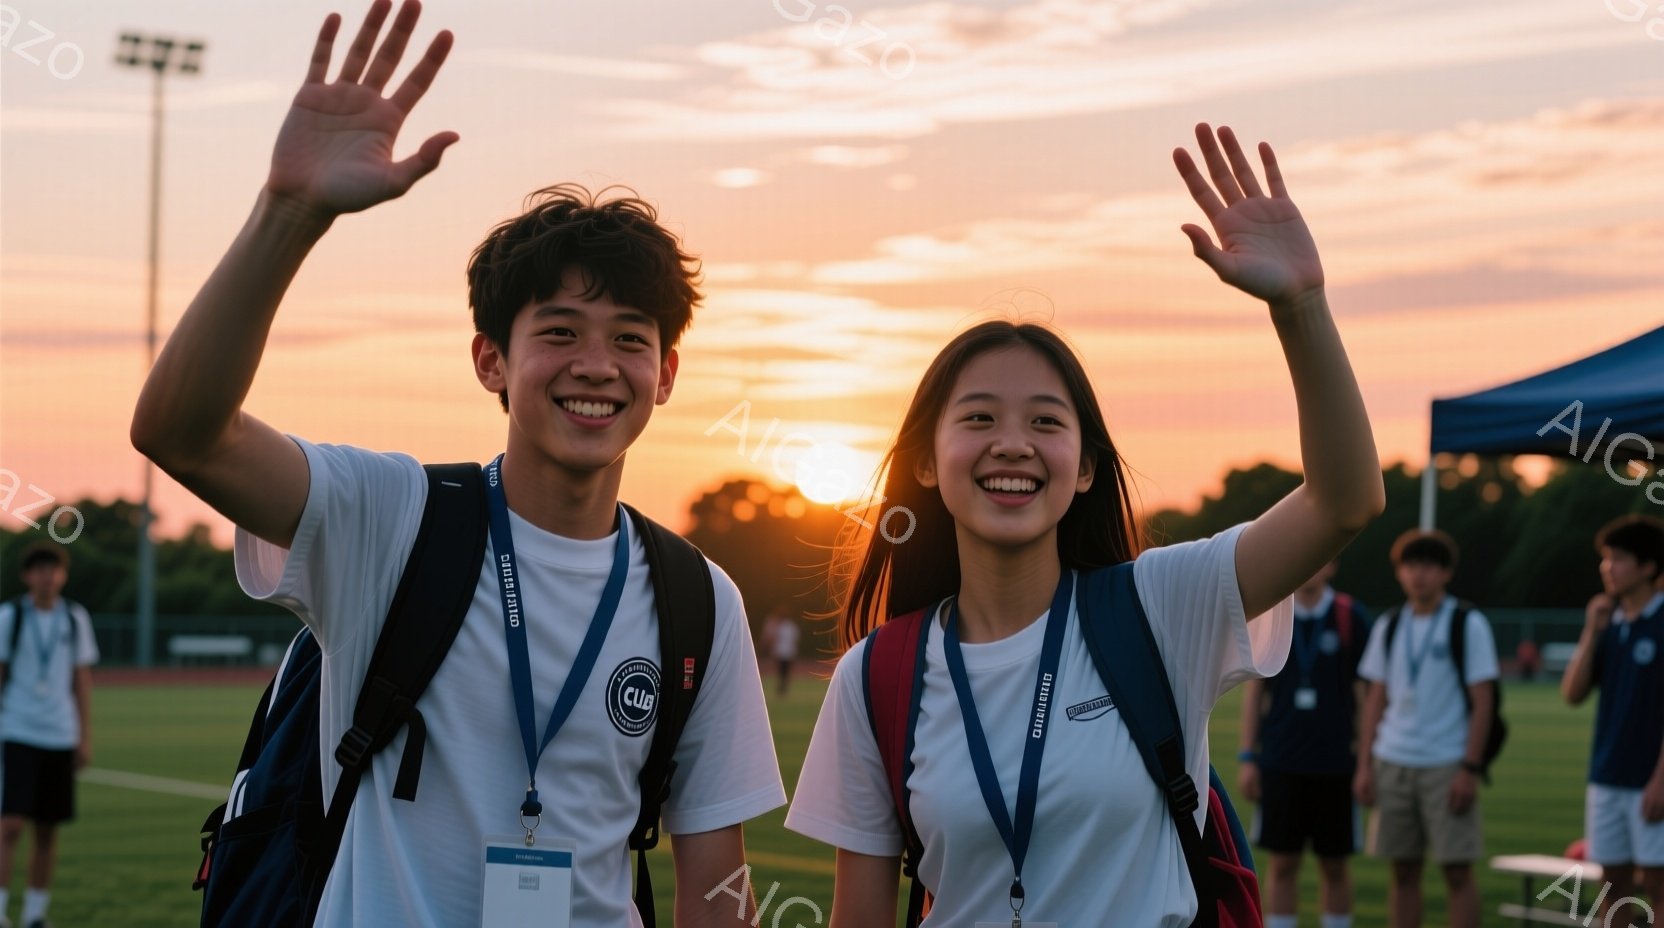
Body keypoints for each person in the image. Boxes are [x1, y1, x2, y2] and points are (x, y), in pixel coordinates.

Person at [128, 3, 785, 925]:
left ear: (666, 373)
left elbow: (717, 879)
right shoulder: (392, 517)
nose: (597, 366)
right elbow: (183, 433)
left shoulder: (695, 595)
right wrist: (289, 213)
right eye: (558, 332)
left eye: (629, 340)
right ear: (491, 363)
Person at [783, 123, 1385, 926]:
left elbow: (1343, 501)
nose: (1012, 446)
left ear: (1087, 466)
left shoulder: (1161, 605)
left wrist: (1301, 307)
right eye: (979, 418)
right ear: (927, 460)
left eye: (1045, 423)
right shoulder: (878, 676)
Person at [1354, 529, 1499, 928]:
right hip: (1393, 760)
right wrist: (1364, 766)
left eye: (1429, 566)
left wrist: (1470, 769)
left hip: (1446, 763)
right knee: (1402, 871)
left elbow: (1484, 699)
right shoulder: (1390, 625)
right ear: (1399, 572)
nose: (1419, 574)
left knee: (1457, 872)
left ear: (1446, 573)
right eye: (1411, 565)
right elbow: (1375, 700)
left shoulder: (1467, 623)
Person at [1238, 560, 1372, 928]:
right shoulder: (1273, 616)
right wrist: (1248, 756)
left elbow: (1363, 695)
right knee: (1282, 862)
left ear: (1332, 565)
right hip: (1281, 760)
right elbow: (1255, 693)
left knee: (1335, 864)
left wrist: (1365, 762)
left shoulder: (1349, 616)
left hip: (1335, 762)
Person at [1561, 514, 1664, 920]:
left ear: (1649, 567)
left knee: (1657, 884)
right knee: (1612, 885)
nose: (1608, 567)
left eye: (1619, 558)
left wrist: (1660, 779)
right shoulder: (1611, 621)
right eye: (1606, 558)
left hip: (1650, 779)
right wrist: (1591, 631)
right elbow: (1572, 694)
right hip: (1607, 776)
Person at [0, 541, 97, 928]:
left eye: (53, 569)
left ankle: (35, 915)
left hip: (59, 734)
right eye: (39, 569)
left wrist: (83, 736)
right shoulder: (10, 616)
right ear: (27, 576)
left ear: (63, 575)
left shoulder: (74, 618)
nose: (47, 576)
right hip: (18, 729)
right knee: (10, 826)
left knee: (47, 829)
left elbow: (82, 680)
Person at [764, 610, 800, 697]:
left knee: (780, 672)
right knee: (786, 672)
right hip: (789, 652)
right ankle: (784, 689)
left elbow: (774, 638)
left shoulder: (779, 626)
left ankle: (780, 689)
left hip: (780, 652)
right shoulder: (792, 626)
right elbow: (795, 639)